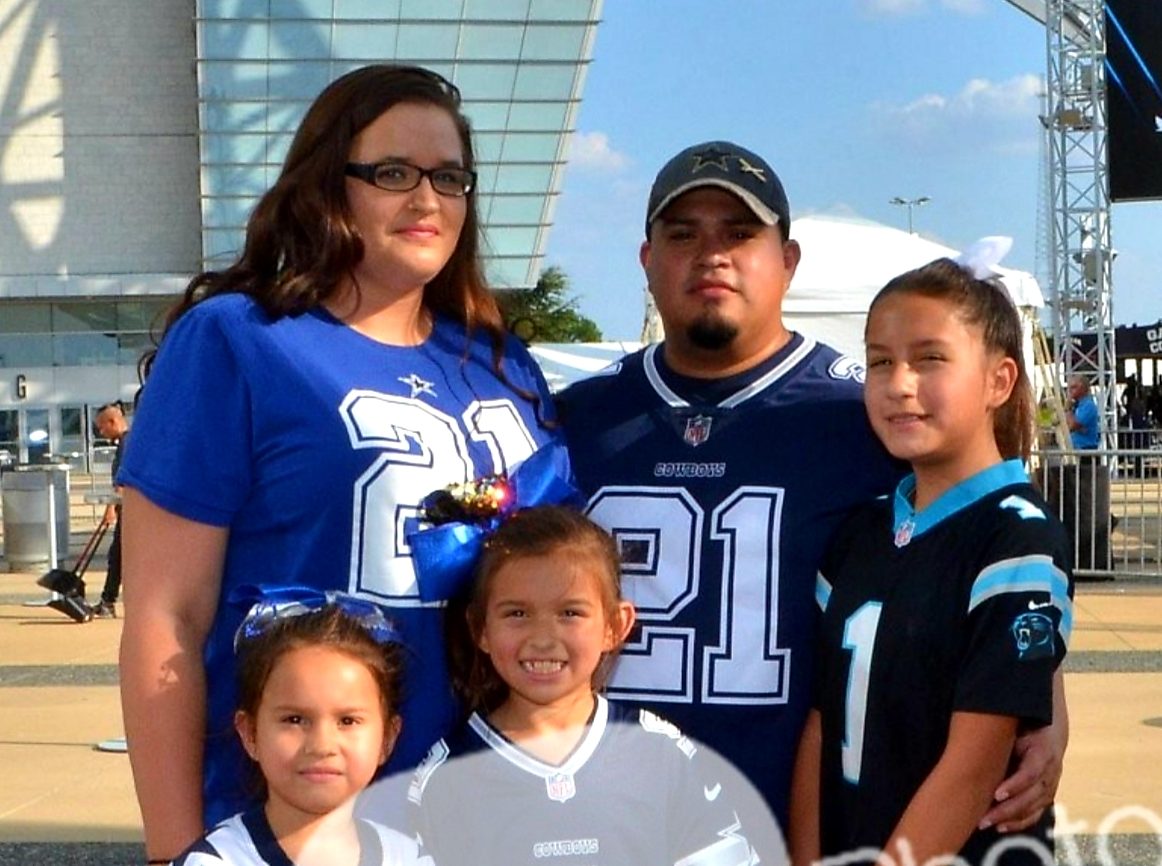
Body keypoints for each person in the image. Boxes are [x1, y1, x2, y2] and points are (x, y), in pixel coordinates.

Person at [560, 140, 1067, 838]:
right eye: (683, 234)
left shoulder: (857, 415)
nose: (713, 254)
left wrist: (1044, 698)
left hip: (779, 818)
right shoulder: (572, 419)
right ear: (647, 260)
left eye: (740, 233)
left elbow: (987, 555)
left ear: (788, 261)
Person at [117, 64, 556, 863]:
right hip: (291, 824)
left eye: (450, 177)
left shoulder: (505, 365)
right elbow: (165, 613)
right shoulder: (238, 339)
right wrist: (177, 847)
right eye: (393, 173)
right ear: (329, 184)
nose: (427, 200)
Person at [789, 258, 1072, 866]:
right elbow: (820, 723)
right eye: (880, 361)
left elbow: (974, 763)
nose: (900, 382)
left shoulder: (1016, 539)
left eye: (930, 358)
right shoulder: (860, 532)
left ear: (999, 381)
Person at [409, 505, 761, 866]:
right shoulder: (446, 777)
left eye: (570, 613)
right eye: (517, 613)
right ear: (480, 628)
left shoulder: (659, 752)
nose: (543, 639)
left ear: (615, 625)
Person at [173, 592, 432, 866]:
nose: (322, 745)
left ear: (387, 738)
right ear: (250, 733)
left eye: (347, 721)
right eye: (295, 719)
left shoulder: (410, 858)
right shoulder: (214, 861)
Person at [92, 402, 128, 619]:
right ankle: (108, 600)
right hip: (129, 510)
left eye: (102, 427)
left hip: (131, 512)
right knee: (117, 555)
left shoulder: (127, 444)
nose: (101, 432)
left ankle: (108, 601)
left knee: (119, 556)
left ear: (112, 421)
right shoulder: (126, 443)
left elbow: (122, 482)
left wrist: (110, 509)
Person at [1066, 374, 1099, 450]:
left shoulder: (1088, 405)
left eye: (1074, 387)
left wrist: (1068, 409)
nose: (1070, 391)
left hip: (1086, 448)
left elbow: (1072, 426)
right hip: (1076, 448)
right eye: (1069, 388)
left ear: (1082, 388)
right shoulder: (1077, 405)